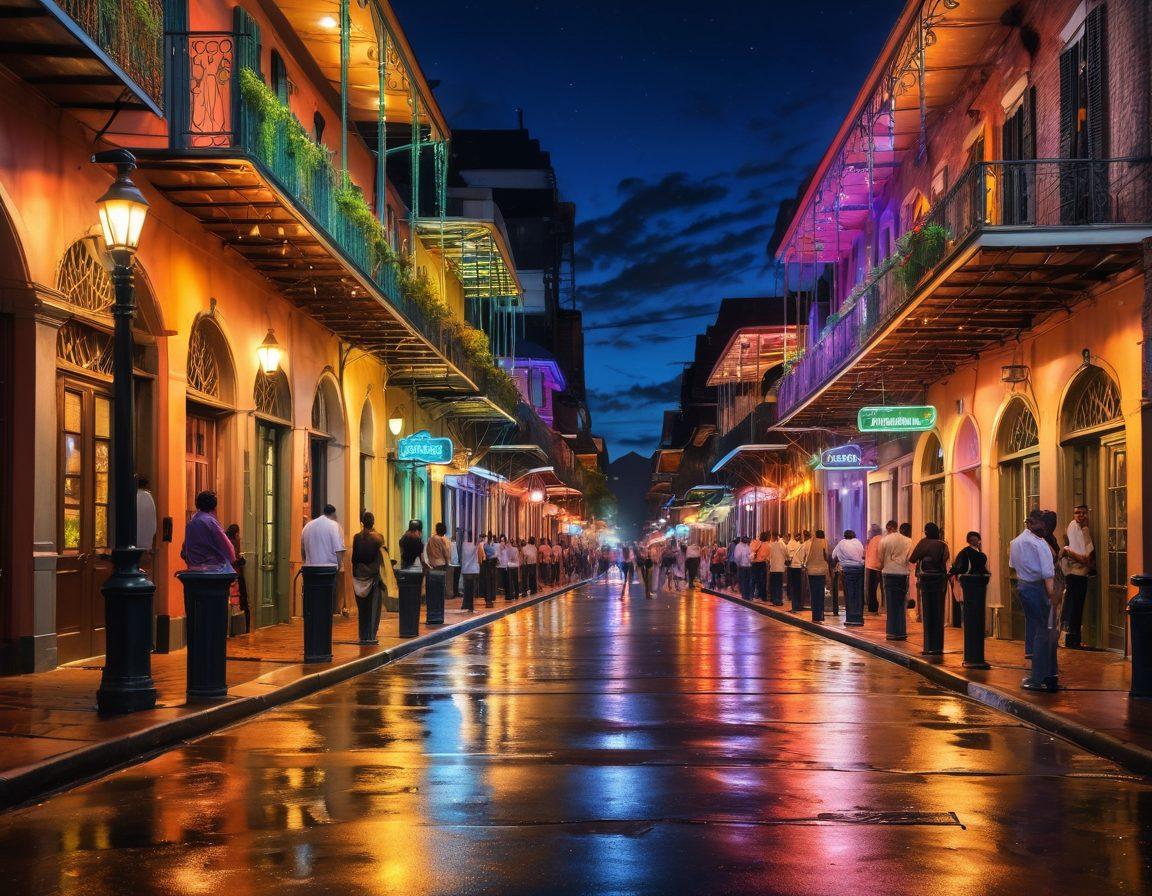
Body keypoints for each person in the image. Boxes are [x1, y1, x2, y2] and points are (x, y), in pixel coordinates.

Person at [1009, 509, 1060, 691]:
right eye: (1042, 524)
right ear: (1030, 523)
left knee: (1039, 629)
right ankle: (1041, 676)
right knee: (1045, 631)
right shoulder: (1040, 545)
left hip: (1024, 586)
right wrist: (1053, 598)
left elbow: (1012, 566)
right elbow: (1048, 575)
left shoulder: (1015, 542)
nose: (1044, 528)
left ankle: (1049, 673)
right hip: (1039, 588)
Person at [909, 523, 951, 656]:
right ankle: (938, 647)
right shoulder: (942, 544)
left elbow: (912, 558)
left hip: (926, 579)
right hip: (939, 579)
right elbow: (945, 559)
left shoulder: (923, 543)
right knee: (938, 612)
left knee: (927, 612)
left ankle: (928, 646)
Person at [1061, 504, 1094, 649]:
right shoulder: (1078, 528)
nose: (1080, 515)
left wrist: (1069, 551)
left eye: (1083, 513)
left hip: (1075, 573)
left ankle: (1072, 639)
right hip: (1076, 574)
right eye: (1077, 513)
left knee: (1073, 607)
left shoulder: (1078, 527)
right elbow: (1087, 560)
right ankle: (1072, 640)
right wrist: (1070, 553)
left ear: (1088, 514)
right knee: (1075, 607)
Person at [351, 512, 386, 644]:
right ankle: (371, 635)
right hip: (373, 577)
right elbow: (383, 559)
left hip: (359, 575)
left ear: (362, 523)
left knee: (362, 609)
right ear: (373, 522)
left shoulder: (356, 537)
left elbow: (353, 558)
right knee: (373, 608)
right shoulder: (378, 538)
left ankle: (362, 635)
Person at [181, 490, 236, 571]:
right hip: (213, 570)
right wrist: (232, 559)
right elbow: (226, 545)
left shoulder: (191, 523)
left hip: (193, 569)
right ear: (214, 506)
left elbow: (185, 549)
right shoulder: (211, 522)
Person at [880, 521, 913, 641]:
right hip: (902, 573)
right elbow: (910, 558)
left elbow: (881, 556)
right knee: (901, 603)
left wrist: (887, 563)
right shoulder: (908, 541)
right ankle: (901, 631)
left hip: (888, 572)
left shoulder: (885, 540)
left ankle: (891, 632)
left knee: (890, 604)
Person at [832, 529, 866, 626]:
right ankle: (858, 617)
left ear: (844, 536)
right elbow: (862, 554)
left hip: (847, 570)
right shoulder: (858, 542)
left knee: (849, 593)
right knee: (858, 593)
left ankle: (850, 617)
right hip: (859, 569)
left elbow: (833, 555)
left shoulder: (841, 543)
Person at [224, 523, 250, 634]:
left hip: (229, 575)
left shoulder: (226, 542)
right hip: (236, 576)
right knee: (242, 601)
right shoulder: (233, 544)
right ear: (236, 534)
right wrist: (240, 561)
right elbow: (233, 560)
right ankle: (245, 628)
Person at [802, 530, 830, 622]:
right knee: (821, 593)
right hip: (822, 571)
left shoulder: (810, 543)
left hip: (811, 571)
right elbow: (827, 556)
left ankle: (815, 615)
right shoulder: (825, 543)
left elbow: (806, 556)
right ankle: (821, 615)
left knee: (813, 594)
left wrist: (805, 565)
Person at [136, 476, 157, 569]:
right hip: (146, 539)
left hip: (134, 539)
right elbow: (152, 519)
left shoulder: (134, 495)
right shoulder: (148, 497)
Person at [460, 530, 481, 613]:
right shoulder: (474, 545)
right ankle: (470, 606)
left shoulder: (464, 545)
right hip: (473, 569)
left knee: (467, 588)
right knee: (471, 589)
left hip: (465, 569)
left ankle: (465, 604)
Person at [864, 524, 884, 614]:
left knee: (872, 589)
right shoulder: (882, 539)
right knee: (881, 589)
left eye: (870, 531)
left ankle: (873, 608)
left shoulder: (874, 540)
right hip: (880, 566)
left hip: (872, 567)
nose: (869, 533)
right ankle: (882, 607)